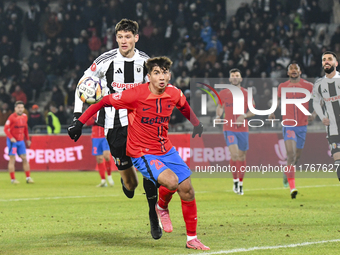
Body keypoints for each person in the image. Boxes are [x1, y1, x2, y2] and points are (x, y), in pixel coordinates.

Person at [68, 56, 209, 250]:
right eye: (157, 73)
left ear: (169, 75)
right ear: (148, 76)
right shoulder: (134, 95)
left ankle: (191, 238)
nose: (162, 76)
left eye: (165, 72)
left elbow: (184, 107)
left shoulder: (174, 93)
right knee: (172, 182)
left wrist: (196, 123)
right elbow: (103, 101)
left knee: (187, 189)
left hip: (165, 148)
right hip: (142, 151)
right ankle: (161, 206)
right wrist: (79, 122)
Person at [69, 18, 161, 240]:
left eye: (128, 37)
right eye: (120, 37)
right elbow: (83, 85)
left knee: (149, 169)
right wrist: (76, 117)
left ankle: (153, 213)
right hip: (114, 124)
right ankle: (126, 180)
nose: (123, 40)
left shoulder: (145, 62)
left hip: (140, 122)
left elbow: (158, 87)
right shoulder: (105, 60)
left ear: (136, 38)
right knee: (130, 185)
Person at [269, 63, 315, 198]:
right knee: (291, 154)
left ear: (300, 72)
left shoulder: (308, 86)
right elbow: (277, 101)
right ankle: (292, 188)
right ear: (288, 73)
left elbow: (319, 101)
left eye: (296, 69)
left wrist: (314, 114)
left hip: (302, 125)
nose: (294, 71)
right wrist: (272, 112)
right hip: (288, 124)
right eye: (291, 69)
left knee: (297, 158)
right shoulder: (282, 87)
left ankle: (286, 173)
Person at [216, 68, 255, 195]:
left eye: (237, 75)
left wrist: (243, 115)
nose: (234, 77)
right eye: (232, 75)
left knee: (242, 156)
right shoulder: (223, 93)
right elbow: (220, 107)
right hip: (229, 128)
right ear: (229, 79)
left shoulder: (247, 94)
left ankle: (241, 183)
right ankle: (235, 181)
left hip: (243, 129)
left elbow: (253, 110)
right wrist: (218, 116)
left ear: (241, 78)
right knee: (235, 155)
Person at [312, 51, 340, 181]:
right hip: (332, 127)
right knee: (337, 159)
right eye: (324, 60)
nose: (326, 61)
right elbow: (316, 102)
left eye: (329, 59)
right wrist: (322, 116)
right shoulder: (318, 84)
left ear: (336, 63)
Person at [4, 101, 34, 184]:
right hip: (13, 142)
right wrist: (11, 138)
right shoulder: (11, 117)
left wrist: (27, 139)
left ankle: (28, 178)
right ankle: (13, 179)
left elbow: (25, 129)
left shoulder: (25, 117)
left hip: (21, 142)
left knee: (24, 158)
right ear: (15, 108)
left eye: (22, 107)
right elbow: (6, 129)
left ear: (23, 108)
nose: (20, 109)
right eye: (19, 108)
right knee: (12, 159)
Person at [86, 113, 114, 187]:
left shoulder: (106, 110)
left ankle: (109, 176)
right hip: (95, 137)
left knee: (107, 156)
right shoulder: (93, 111)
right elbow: (88, 122)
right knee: (99, 158)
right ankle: (103, 180)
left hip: (105, 135)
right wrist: (95, 119)